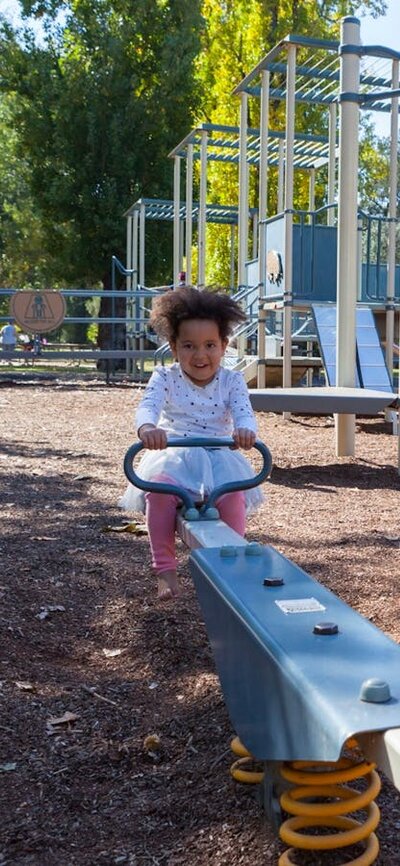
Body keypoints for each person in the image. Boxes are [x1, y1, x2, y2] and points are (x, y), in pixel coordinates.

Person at [119, 287, 265, 601]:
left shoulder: (232, 380)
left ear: (224, 346)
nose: (200, 355)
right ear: (173, 347)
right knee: (158, 492)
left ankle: (230, 569)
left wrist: (245, 431)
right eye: (189, 346)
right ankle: (166, 571)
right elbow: (148, 407)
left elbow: (243, 411)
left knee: (232, 496)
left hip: (217, 455)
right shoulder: (165, 377)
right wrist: (148, 428)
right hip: (176, 454)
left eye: (210, 345)